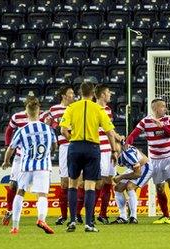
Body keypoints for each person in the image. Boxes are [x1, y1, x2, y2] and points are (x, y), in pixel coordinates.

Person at [59, 82, 121, 232]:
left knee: (73, 184)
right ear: (93, 93)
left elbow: (63, 130)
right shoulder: (99, 109)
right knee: (90, 186)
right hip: (92, 148)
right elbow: (109, 132)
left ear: (80, 92)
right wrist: (114, 150)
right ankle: (88, 223)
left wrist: (72, 140)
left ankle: (72, 221)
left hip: (75, 147)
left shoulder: (71, 108)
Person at [2, 99, 56, 234]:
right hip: (42, 166)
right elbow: (54, 145)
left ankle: (15, 226)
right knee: (42, 194)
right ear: (39, 112)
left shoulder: (22, 130)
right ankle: (41, 219)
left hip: (26, 165)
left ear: (27, 113)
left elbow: (11, 148)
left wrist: (6, 161)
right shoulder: (48, 129)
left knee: (20, 192)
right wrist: (49, 153)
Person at [126, 99, 170, 224]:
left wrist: (163, 127)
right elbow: (134, 134)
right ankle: (165, 215)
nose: (165, 109)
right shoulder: (146, 121)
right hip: (155, 159)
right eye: (163, 107)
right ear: (156, 108)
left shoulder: (168, 119)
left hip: (169, 157)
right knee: (159, 187)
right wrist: (127, 144)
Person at [39, 86, 75, 225]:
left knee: (81, 181)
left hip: (77, 144)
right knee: (65, 182)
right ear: (63, 96)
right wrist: (52, 125)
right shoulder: (54, 109)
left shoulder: (76, 107)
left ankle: (76, 214)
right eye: (70, 93)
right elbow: (42, 121)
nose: (73, 96)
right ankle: (63, 215)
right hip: (64, 146)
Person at [111, 145, 151, 224]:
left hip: (145, 167)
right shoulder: (113, 155)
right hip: (132, 169)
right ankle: (123, 217)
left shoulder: (129, 154)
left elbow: (138, 174)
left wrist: (121, 177)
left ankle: (133, 217)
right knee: (118, 188)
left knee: (130, 186)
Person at [93, 84, 116, 224]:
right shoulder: (93, 109)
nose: (110, 94)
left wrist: (115, 147)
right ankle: (89, 214)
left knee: (108, 181)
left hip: (109, 149)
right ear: (102, 94)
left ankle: (102, 214)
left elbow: (110, 131)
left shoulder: (108, 110)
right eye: (108, 92)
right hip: (98, 149)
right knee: (98, 182)